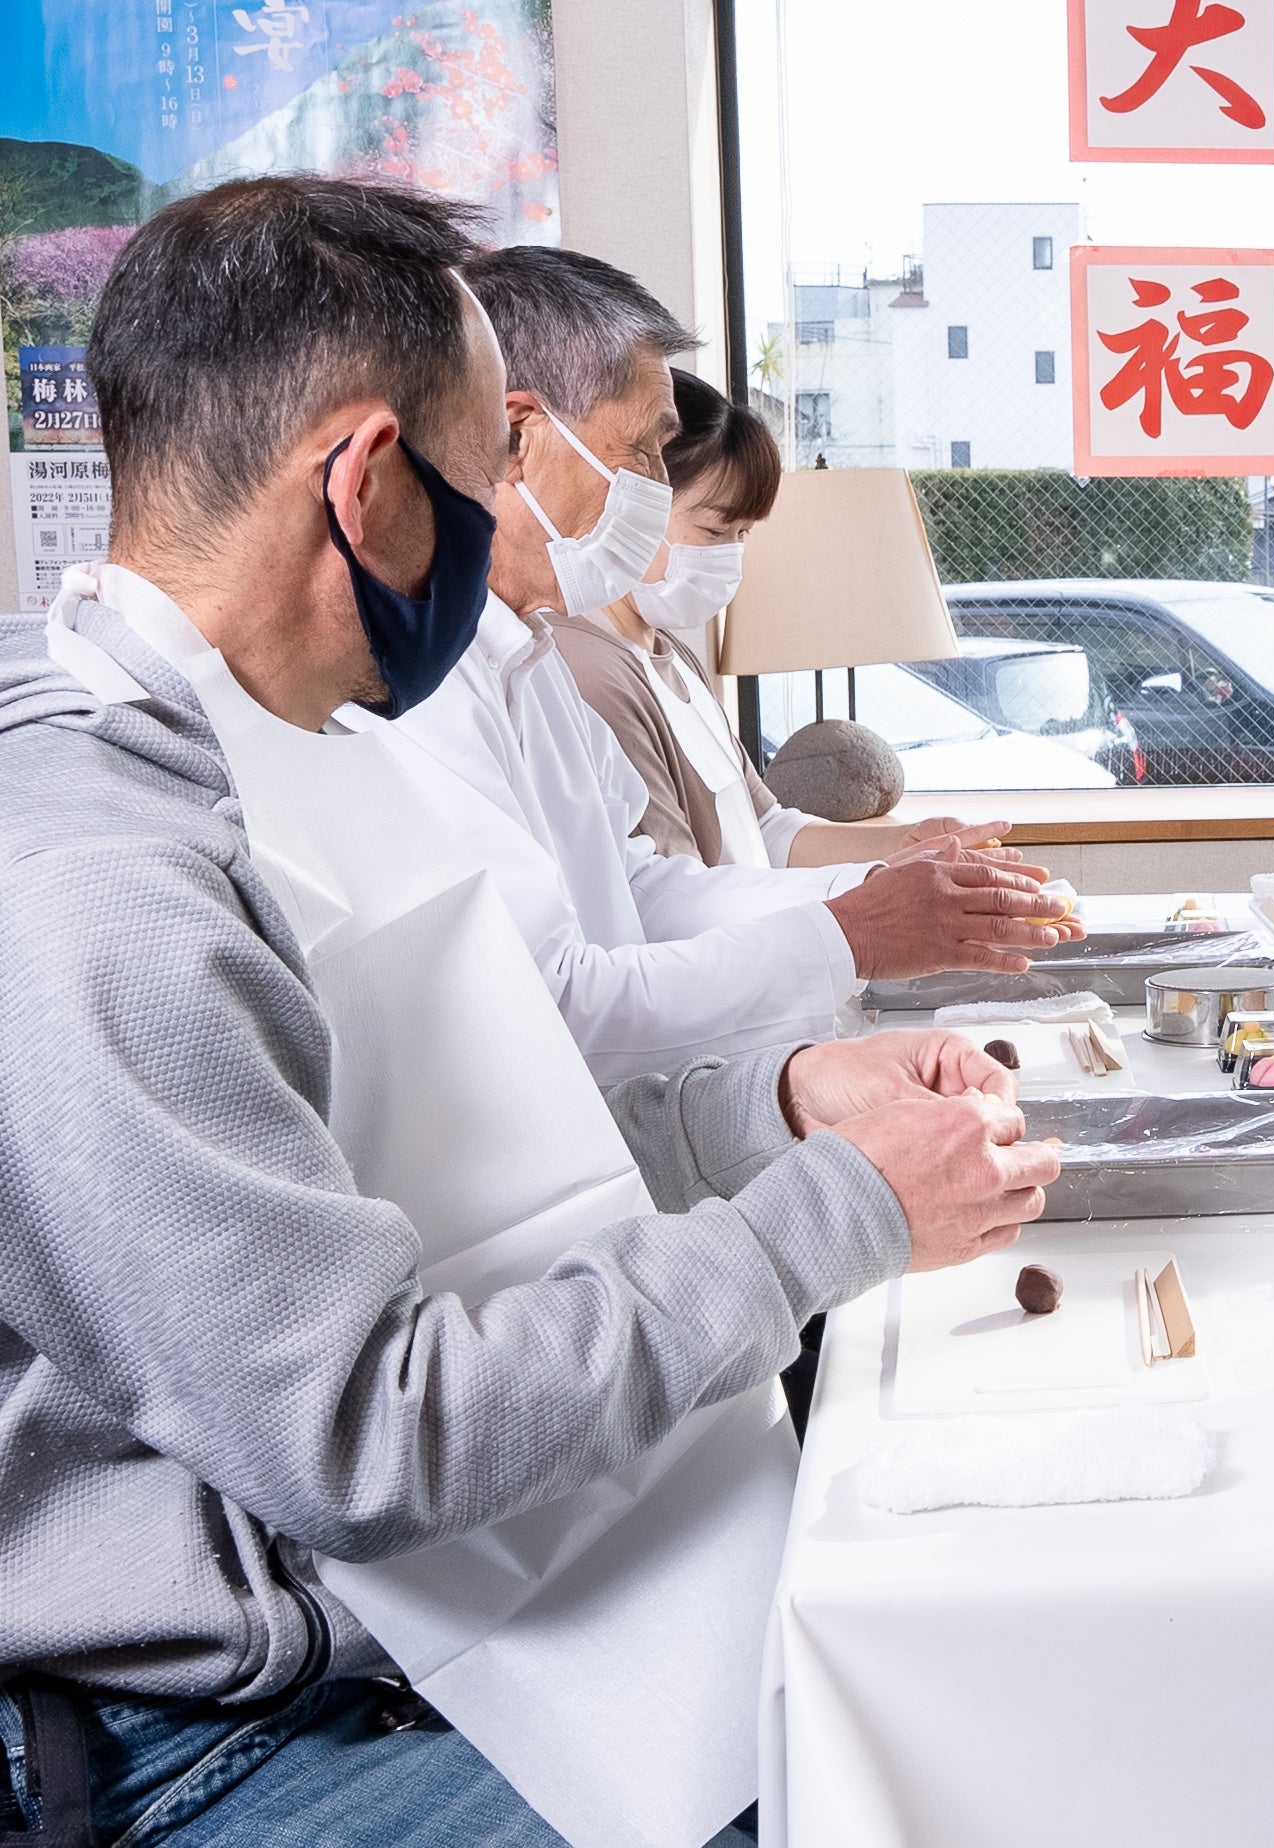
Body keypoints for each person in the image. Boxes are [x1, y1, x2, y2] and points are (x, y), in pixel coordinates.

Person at [0, 176, 1055, 1848]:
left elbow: (469, 1123)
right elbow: (364, 1435)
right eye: (485, 479)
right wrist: (831, 1214)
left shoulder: (278, 739)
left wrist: (774, 1106)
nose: (504, 539)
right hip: (211, 1729)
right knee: (904, 1769)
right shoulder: (95, 890)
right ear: (363, 479)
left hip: (392, 1606)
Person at [353, 243, 1072, 1084]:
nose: (656, 491)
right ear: (517, 436)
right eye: (646, 452)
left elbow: (647, 891)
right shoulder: (420, 688)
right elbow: (555, 1003)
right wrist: (850, 931)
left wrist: (870, 896)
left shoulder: (534, 655)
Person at [556, 369, 991, 871]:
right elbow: (673, 892)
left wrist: (908, 845)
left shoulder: (671, 656)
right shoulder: (591, 672)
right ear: (630, 503)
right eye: (715, 529)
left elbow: (768, 829)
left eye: (742, 534)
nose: (728, 557)